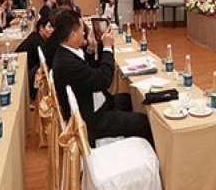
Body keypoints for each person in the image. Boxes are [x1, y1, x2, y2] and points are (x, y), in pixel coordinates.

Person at [51, 10, 153, 147]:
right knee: (143, 122)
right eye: (82, 30)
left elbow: (89, 73)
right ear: (74, 35)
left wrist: (91, 49)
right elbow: (104, 80)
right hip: (91, 118)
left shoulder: (66, 52)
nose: (84, 33)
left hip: (93, 102)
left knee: (127, 99)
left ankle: (127, 139)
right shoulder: (67, 64)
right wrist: (107, 48)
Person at [15, 18, 54, 100]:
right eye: (49, 27)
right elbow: (48, 59)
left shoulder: (37, 36)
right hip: (20, 69)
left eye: (53, 27)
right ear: (41, 28)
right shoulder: (37, 41)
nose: (52, 30)